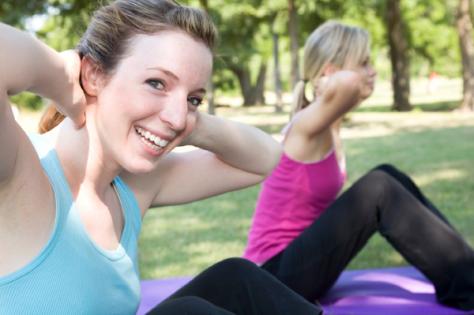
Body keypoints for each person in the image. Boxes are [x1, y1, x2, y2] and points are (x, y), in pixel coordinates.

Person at [0, 1, 322, 314]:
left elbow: (264, 158)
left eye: (194, 98)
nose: (178, 117)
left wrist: (186, 122)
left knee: (235, 279)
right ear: (95, 75)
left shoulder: (132, 188)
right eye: (157, 83)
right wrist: (61, 77)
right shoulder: (19, 174)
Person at [243, 20, 474, 311]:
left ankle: (465, 266)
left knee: (389, 174)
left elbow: (347, 83)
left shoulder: (329, 126)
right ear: (330, 71)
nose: (373, 71)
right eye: (364, 62)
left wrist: (339, 76)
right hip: (270, 278)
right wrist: (333, 80)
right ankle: (467, 285)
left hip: (299, 268)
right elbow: (347, 83)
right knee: (378, 189)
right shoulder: (305, 127)